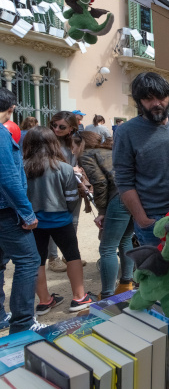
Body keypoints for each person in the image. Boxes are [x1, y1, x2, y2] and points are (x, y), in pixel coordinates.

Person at [113, 72, 169, 246]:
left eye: (161, 97)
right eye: (148, 99)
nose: (156, 104)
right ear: (139, 101)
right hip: (153, 221)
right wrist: (142, 219)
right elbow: (124, 180)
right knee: (156, 272)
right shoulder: (126, 132)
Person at [23, 127, 95, 314]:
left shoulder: (23, 167)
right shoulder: (63, 168)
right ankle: (79, 297)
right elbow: (71, 197)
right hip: (62, 220)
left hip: (34, 222)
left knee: (38, 260)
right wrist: (68, 213)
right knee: (72, 255)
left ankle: (44, 301)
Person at [0, 88, 43, 333]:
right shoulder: (1, 134)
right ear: (12, 108)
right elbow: (7, 179)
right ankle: (23, 324)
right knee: (29, 260)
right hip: (6, 212)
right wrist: (27, 213)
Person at [74, 131, 134, 299]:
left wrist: (102, 212)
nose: (72, 150)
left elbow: (100, 183)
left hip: (119, 197)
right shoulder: (108, 151)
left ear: (81, 144)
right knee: (126, 240)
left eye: (73, 146)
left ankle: (107, 295)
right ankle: (126, 284)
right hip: (134, 196)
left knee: (107, 247)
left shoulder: (86, 155)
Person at [48, 111, 88, 272]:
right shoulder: (47, 141)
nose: (56, 129)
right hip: (53, 187)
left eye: (61, 126)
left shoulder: (75, 141)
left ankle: (68, 255)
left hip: (73, 186)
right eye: (53, 125)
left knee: (73, 221)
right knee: (53, 222)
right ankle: (53, 258)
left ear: (71, 128)